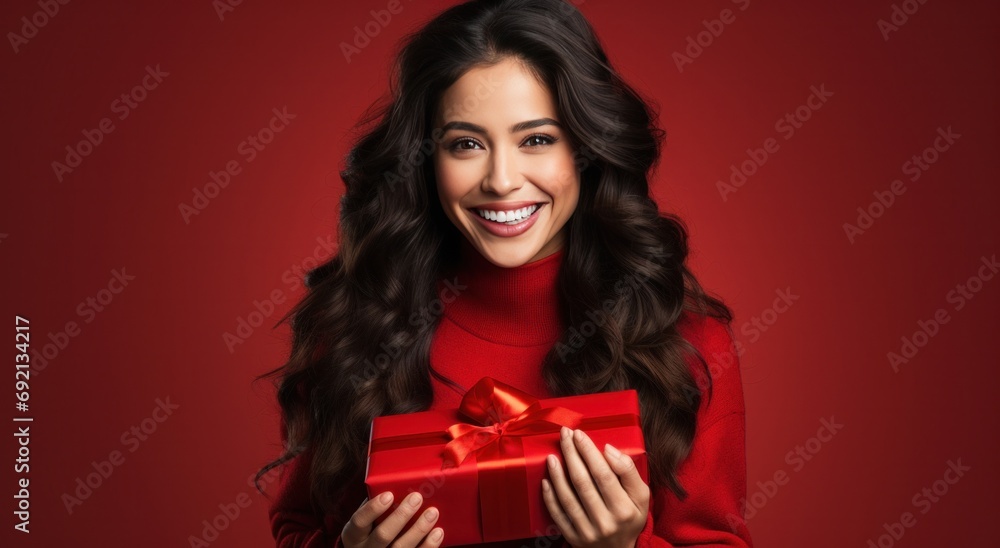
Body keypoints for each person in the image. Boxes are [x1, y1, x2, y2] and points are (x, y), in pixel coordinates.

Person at [255, 0, 754, 546]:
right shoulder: (353, 330)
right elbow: (295, 526)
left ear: (585, 146)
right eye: (466, 144)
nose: (501, 180)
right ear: (426, 158)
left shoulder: (687, 347)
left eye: (536, 139)